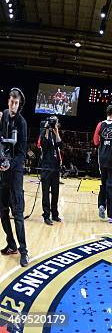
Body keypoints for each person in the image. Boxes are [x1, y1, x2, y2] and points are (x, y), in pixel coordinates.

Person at [0, 89, 29, 267]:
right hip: (2, 171)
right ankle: (11, 244)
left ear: (19, 105)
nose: (12, 105)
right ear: (8, 101)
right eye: (11, 101)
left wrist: (11, 164)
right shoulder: (2, 116)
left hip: (15, 171)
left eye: (16, 103)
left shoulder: (22, 122)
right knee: (2, 210)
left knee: (17, 213)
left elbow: (22, 152)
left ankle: (24, 250)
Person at [37, 116, 62, 225]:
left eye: (55, 122)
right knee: (46, 193)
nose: (54, 124)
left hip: (55, 168)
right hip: (46, 168)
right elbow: (44, 145)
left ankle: (55, 214)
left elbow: (60, 144)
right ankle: (46, 215)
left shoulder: (55, 133)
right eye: (53, 122)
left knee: (55, 192)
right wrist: (46, 130)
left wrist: (56, 132)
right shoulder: (44, 133)